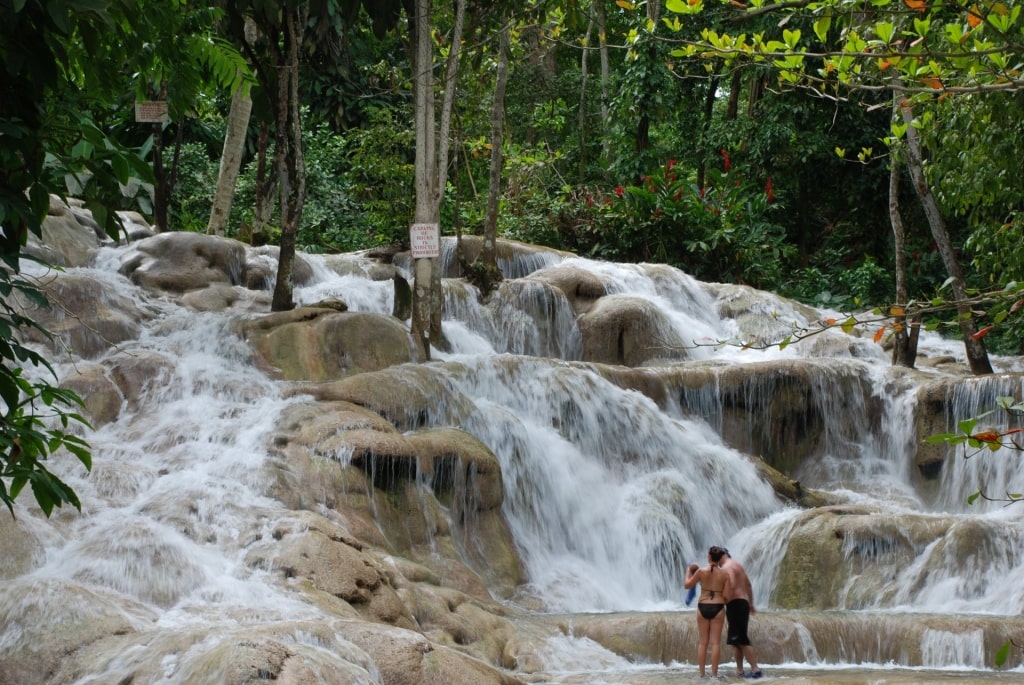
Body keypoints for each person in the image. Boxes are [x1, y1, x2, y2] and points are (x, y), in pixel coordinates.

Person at [683, 546, 731, 678]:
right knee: (715, 643)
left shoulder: (700, 572)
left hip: (703, 606)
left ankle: (702, 674)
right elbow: (727, 596)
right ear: (719, 558)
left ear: (709, 557)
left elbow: (687, 585)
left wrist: (689, 570)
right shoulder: (725, 574)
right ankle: (714, 675)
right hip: (718, 607)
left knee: (703, 642)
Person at [719, 548, 763, 678]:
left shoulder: (726, 567)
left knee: (742, 639)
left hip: (735, 604)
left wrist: (720, 600)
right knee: (735, 640)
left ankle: (755, 670)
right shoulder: (737, 565)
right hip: (742, 603)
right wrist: (750, 603)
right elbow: (748, 585)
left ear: (722, 556)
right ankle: (740, 671)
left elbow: (730, 585)